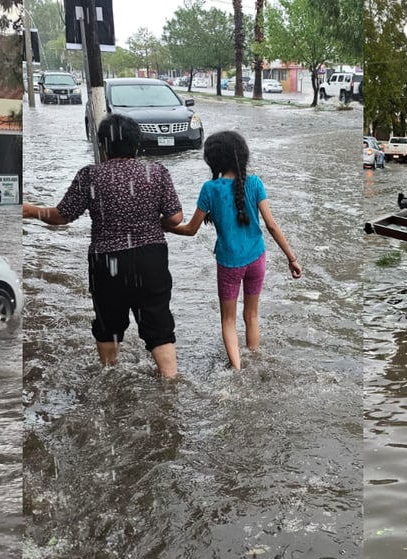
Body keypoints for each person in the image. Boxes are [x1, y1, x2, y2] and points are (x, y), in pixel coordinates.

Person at [22, 114, 183, 378]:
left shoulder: (90, 176)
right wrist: (149, 221)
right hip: (151, 259)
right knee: (158, 323)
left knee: (108, 322)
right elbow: (176, 218)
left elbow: (61, 216)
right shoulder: (156, 172)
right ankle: (170, 380)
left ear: (103, 145)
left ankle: (109, 377)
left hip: (107, 263)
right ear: (137, 143)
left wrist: (30, 211)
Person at [164, 130, 302, 370]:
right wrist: (292, 258)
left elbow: (190, 229)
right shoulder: (255, 183)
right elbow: (271, 225)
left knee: (228, 319)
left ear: (214, 160)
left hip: (229, 262)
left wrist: (164, 226)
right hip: (257, 257)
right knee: (252, 315)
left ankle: (237, 370)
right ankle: (254, 360)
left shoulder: (210, 189)